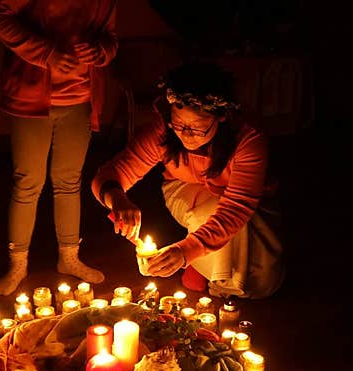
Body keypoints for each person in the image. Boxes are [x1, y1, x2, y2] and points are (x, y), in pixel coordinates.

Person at [91, 61, 285, 299]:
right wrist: (117, 198)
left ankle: (202, 266)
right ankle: (211, 273)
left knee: (261, 282)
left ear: (222, 117)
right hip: (185, 187)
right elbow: (107, 176)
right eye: (179, 124)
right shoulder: (163, 132)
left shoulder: (248, 140)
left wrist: (185, 252)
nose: (186, 134)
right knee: (209, 214)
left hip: (246, 204)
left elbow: (236, 207)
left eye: (198, 127)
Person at [0, 0, 117, 296]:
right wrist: (47, 54)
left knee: (69, 181)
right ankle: (18, 264)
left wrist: (99, 52)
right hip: (31, 99)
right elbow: (0, 20)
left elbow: (110, 40)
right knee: (28, 182)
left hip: (81, 100)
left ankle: (69, 257)